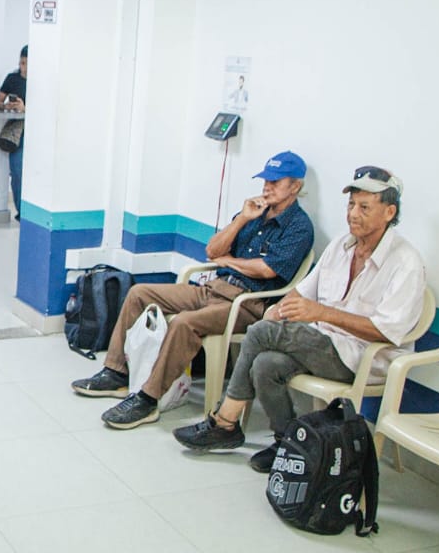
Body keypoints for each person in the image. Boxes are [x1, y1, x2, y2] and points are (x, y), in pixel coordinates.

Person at [174, 165, 426, 473]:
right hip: (322, 342)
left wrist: (321, 313)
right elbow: (302, 293)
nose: (353, 214)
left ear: (389, 212)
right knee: (266, 364)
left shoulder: (406, 263)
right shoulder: (340, 247)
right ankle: (288, 445)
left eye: (364, 207)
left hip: (363, 358)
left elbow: (387, 331)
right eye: (350, 205)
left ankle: (225, 422)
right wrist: (279, 309)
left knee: (260, 333)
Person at [71, 151, 315, 430]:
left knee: (185, 323)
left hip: (247, 304)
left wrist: (228, 261)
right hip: (214, 289)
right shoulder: (253, 214)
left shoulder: (299, 227)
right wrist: (243, 220)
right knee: (140, 293)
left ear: (295, 186)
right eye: (265, 180)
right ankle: (116, 372)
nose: (267, 187)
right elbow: (212, 250)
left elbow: (267, 270)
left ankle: (148, 399)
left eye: (275, 181)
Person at [0, 45, 28, 219]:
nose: (24, 67)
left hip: (35, 132)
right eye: (21, 63)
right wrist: (6, 105)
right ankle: (21, 212)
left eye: (27, 63)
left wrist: (25, 108)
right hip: (17, 133)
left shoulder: (41, 82)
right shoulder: (12, 79)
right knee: (17, 172)